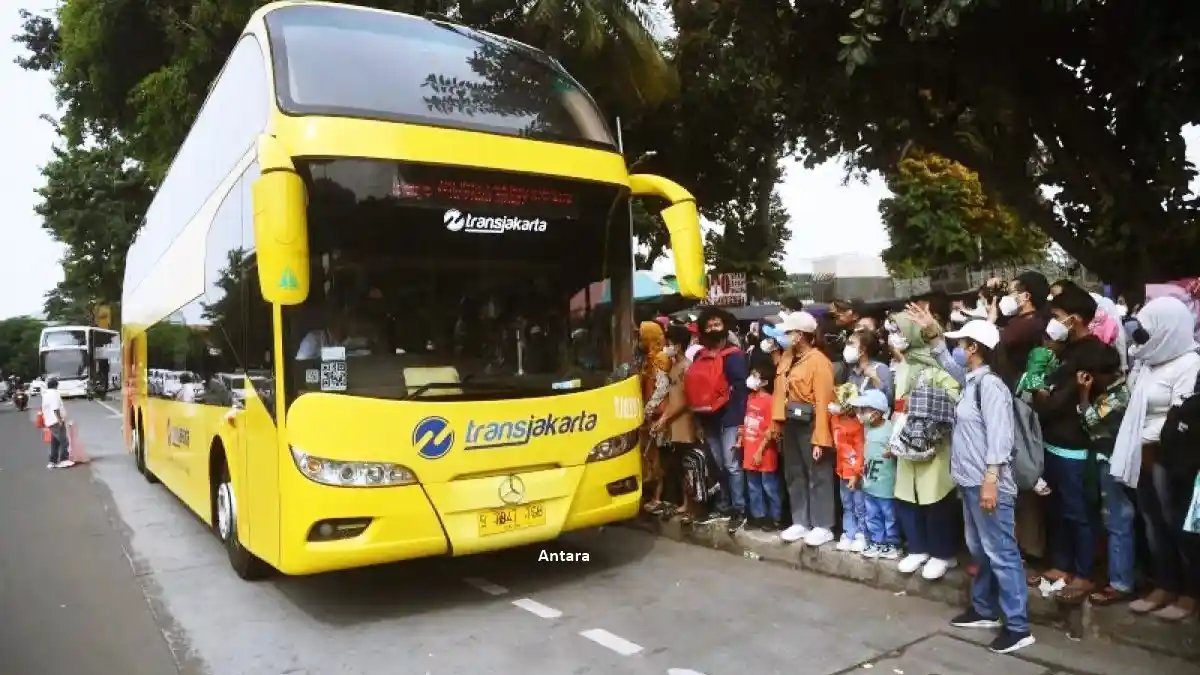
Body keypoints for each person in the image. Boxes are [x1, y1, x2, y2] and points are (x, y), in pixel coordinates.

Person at [943, 320, 1035, 655]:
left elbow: (1001, 437)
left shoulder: (991, 386)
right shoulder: (972, 381)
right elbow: (946, 362)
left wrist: (991, 480)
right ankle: (984, 609)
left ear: (974, 348)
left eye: (962, 342)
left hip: (987, 482)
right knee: (980, 549)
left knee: (1001, 552)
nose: (958, 348)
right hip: (970, 481)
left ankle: (1018, 626)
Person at [1110, 296, 1200, 620]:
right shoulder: (1147, 361)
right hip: (1140, 454)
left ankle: (1191, 592)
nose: (1141, 337)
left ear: (1170, 328)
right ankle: (1165, 583)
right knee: (1151, 524)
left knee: (1178, 525)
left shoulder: (1190, 363)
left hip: (1169, 459)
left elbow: (1182, 416)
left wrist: (1155, 449)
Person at [1029, 285, 1107, 597]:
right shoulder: (1063, 351)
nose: (1053, 322)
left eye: (1058, 317)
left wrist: (1044, 395)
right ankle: (1061, 564)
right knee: (1057, 508)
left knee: (1079, 511)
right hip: (1051, 440)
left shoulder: (1095, 353)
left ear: (1074, 319)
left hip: (1076, 446)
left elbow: (1061, 399)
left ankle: (1085, 572)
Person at [888, 313, 962, 580]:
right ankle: (918, 548)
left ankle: (943, 553)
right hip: (906, 443)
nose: (896, 338)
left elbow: (954, 397)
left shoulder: (940, 366)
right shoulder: (905, 365)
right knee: (908, 498)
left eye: (901, 332)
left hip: (934, 443)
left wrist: (925, 406)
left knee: (936, 498)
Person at [1070, 340, 1136, 606]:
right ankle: (1116, 574)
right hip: (1108, 461)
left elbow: (1091, 423)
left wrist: (1083, 396)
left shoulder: (1117, 396)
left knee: (1118, 521)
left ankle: (1121, 582)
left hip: (1113, 462)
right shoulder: (1116, 389)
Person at [771, 311, 837, 546]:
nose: (784, 336)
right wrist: (776, 424)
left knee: (818, 474)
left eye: (788, 332)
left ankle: (823, 525)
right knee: (794, 473)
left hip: (811, 423)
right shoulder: (788, 358)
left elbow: (823, 402)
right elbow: (780, 391)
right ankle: (801, 521)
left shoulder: (819, 361)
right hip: (790, 423)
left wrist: (821, 438)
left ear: (800, 335)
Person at [691, 309, 750, 529]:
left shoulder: (733, 355)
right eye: (710, 325)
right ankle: (723, 506)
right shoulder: (699, 356)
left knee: (731, 465)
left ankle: (739, 509)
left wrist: (741, 419)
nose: (714, 328)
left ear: (724, 326)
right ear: (703, 329)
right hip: (708, 418)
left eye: (717, 324)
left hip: (730, 418)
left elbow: (741, 388)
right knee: (717, 465)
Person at [650, 325, 700, 519]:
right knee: (679, 465)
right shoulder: (674, 367)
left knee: (688, 466)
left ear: (678, 346)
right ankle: (685, 503)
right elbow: (672, 397)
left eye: (669, 344)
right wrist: (664, 418)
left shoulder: (687, 368)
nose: (666, 347)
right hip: (673, 423)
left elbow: (686, 400)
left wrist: (666, 418)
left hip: (685, 423)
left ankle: (692, 506)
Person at [851, 388, 899, 559]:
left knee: (889, 515)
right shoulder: (866, 429)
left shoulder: (891, 429)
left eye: (863, 410)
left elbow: (897, 452)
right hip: (870, 483)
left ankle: (892, 544)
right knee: (872, 514)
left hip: (886, 486)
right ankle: (877, 541)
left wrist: (893, 452)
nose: (859, 414)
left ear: (877, 413)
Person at [739, 365, 783, 531]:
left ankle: (775, 517)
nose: (751, 378)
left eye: (755, 375)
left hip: (764, 452)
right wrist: (741, 438)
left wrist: (759, 451)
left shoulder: (770, 401)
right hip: (750, 448)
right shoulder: (750, 398)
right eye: (751, 374)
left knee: (769, 486)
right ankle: (759, 516)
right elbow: (746, 420)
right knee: (753, 486)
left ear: (764, 381)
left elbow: (771, 429)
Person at [991, 271, 1050, 389]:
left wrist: (990, 323)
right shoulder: (1027, 319)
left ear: (1027, 296)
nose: (1008, 297)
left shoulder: (1028, 325)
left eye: (1012, 293)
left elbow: (994, 342)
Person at [639, 321, 672, 513]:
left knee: (656, 457)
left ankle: (658, 498)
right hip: (650, 414)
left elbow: (661, 387)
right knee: (648, 456)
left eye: (642, 335)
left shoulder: (660, 358)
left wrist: (648, 408)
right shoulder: (648, 359)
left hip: (658, 414)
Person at [844, 328, 895, 401]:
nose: (847, 347)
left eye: (851, 343)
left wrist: (875, 378)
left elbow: (889, 400)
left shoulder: (880, 368)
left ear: (862, 350)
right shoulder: (851, 370)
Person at [42, 377, 74, 469]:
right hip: (56, 421)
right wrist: (60, 420)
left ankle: (52, 461)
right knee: (64, 441)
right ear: (55, 386)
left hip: (50, 421)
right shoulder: (54, 394)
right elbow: (55, 408)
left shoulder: (46, 394)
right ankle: (64, 460)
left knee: (55, 442)